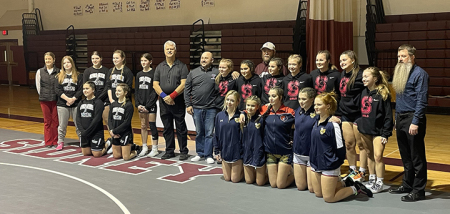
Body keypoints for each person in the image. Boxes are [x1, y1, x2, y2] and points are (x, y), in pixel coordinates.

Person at [310, 92, 372, 203]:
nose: (315, 107)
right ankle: (346, 182)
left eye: (319, 105)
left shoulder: (333, 125)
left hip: (329, 163)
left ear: (328, 106)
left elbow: (340, 148)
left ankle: (355, 188)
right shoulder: (315, 122)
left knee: (329, 198)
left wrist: (334, 162)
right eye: (315, 105)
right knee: (318, 193)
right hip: (316, 162)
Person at [389, 44, 429, 202]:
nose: (400, 59)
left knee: (416, 155)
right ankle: (407, 184)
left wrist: (416, 121)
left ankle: (418, 190)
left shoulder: (421, 74)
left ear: (412, 57)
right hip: (401, 117)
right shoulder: (400, 73)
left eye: (403, 56)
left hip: (413, 118)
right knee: (405, 155)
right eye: (399, 56)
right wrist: (396, 118)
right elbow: (399, 99)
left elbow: (422, 100)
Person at [356, 67, 393, 193]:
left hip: (379, 131)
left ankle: (380, 182)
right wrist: (359, 123)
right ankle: (372, 179)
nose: (364, 79)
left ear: (375, 78)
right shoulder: (363, 92)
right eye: (363, 77)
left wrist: (386, 133)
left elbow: (388, 115)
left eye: (367, 76)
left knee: (378, 156)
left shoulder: (383, 93)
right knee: (369, 155)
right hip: (365, 129)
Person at [333, 50, 367, 182]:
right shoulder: (342, 74)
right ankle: (353, 170)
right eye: (340, 60)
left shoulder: (360, 74)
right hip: (345, 114)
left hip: (358, 114)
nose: (342, 63)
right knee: (349, 144)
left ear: (353, 60)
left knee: (361, 144)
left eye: (344, 60)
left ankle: (362, 172)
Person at [153, 40, 189, 160]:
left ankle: (183, 151)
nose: (169, 51)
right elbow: (155, 85)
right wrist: (164, 96)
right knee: (167, 128)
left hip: (177, 101)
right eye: (167, 49)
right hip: (164, 102)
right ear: (164, 51)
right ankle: (169, 151)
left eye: (171, 49)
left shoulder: (182, 66)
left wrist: (172, 96)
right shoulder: (159, 67)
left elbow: (184, 84)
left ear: (175, 50)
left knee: (181, 127)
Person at [185, 52, 219, 164]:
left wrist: (234, 73)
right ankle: (200, 153)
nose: (203, 60)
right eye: (202, 58)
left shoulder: (217, 72)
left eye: (206, 58)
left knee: (209, 133)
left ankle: (208, 154)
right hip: (196, 108)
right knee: (199, 132)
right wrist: (188, 105)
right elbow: (187, 90)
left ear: (212, 60)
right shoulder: (193, 72)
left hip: (211, 108)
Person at [263, 87, 295, 189]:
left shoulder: (289, 112)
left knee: (280, 185)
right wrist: (242, 113)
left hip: (285, 152)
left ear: (280, 97)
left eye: (274, 96)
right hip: (270, 152)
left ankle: (296, 175)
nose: (271, 99)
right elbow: (250, 108)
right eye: (269, 96)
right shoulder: (265, 111)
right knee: (273, 184)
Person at [213, 90, 243, 182]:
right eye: (228, 100)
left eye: (232, 101)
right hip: (225, 150)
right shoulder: (219, 115)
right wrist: (217, 150)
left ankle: (246, 171)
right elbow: (216, 134)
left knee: (234, 179)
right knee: (227, 178)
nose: (229, 102)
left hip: (237, 151)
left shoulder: (241, 116)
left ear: (238, 102)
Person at [55, 56, 83, 151]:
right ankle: (60, 142)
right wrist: (67, 99)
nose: (66, 64)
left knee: (78, 124)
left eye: (68, 62)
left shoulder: (79, 76)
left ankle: (82, 141)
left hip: (76, 103)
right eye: (64, 63)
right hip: (63, 104)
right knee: (62, 125)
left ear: (72, 63)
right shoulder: (59, 76)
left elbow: (80, 90)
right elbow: (57, 90)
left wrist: (73, 99)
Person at [76, 81, 109, 157]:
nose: (85, 90)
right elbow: (78, 118)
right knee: (86, 153)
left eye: (87, 88)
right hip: (84, 132)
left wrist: (87, 131)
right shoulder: (81, 102)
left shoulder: (98, 102)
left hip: (95, 132)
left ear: (93, 90)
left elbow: (96, 120)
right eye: (84, 89)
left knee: (96, 154)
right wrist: (82, 131)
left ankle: (107, 144)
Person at [135, 53, 159, 157]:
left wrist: (148, 106)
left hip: (151, 105)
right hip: (141, 105)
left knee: (152, 126)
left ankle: (155, 148)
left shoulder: (154, 74)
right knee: (143, 126)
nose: (143, 63)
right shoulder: (139, 74)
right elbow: (136, 91)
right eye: (142, 61)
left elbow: (154, 91)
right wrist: (138, 104)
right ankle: (144, 146)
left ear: (150, 61)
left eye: (145, 61)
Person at [293, 87, 316, 191]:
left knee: (312, 189)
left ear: (312, 99)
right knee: (301, 187)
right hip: (298, 153)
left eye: (304, 99)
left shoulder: (318, 113)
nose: (301, 102)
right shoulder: (298, 111)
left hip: (311, 154)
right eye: (299, 99)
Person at [241, 95, 267, 186]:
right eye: (248, 105)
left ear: (257, 107)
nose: (250, 108)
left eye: (252, 106)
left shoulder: (261, 119)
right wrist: (242, 113)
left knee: (260, 183)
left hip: (258, 151)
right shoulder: (243, 118)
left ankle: (268, 175)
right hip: (247, 151)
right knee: (248, 181)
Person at [36, 52, 60, 148]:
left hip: (55, 100)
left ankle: (55, 140)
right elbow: (38, 86)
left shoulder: (59, 71)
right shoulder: (40, 71)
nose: (47, 61)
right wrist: (43, 95)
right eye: (46, 59)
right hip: (44, 100)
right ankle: (48, 141)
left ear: (54, 60)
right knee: (47, 121)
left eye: (49, 59)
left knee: (55, 121)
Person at [108, 83, 137, 161]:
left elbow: (127, 122)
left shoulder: (128, 105)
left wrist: (114, 131)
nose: (117, 92)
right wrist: (111, 131)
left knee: (126, 157)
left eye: (119, 91)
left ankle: (135, 149)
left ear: (125, 92)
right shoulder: (113, 104)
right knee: (116, 156)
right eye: (116, 90)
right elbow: (109, 119)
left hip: (125, 133)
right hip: (114, 134)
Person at [82, 51, 110, 130]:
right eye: (93, 58)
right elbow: (85, 86)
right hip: (91, 100)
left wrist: (99, 98)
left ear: (101, 59)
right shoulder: (87, 71)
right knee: (93, 121)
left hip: (104, 100)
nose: (95, 60)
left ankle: (113, 139)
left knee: (107, 120)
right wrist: (92, 98)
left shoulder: (106, 71)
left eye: (97, 58)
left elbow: (107, 86)